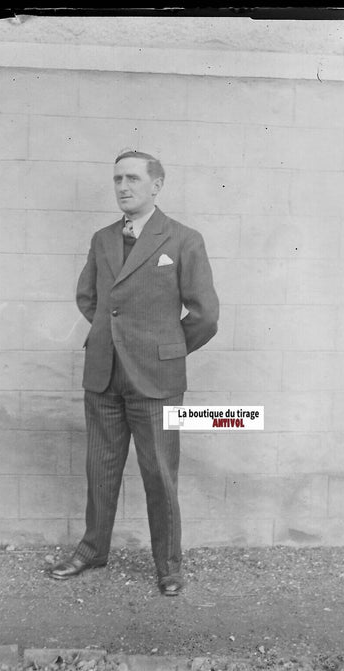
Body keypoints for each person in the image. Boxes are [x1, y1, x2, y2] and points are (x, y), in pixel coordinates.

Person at [51, 150, 219, 595]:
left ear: (156, 185)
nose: (123, 187)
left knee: (161, 473)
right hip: (104, 374)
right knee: (99, 468)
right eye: (117, 180)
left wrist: (167, 349)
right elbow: (89, 298)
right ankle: (92, 550)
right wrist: (113, 335)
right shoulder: (103, 238)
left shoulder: (184, 239)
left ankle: (168, 565)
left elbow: (205, 315)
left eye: (132, 179)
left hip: (156, 381)